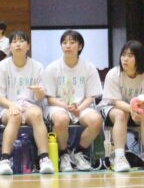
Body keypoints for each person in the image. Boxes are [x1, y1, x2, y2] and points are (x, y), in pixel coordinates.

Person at [0, 31, 54, 175]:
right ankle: (5, 159)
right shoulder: (2, 66)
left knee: (37, 114)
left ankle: (44, 158)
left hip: (30, 104)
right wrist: (12, 105)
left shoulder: (37, 66)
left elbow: (41, 97)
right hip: (6, 105)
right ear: (10, 47)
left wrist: (38, 92)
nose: (18, 44)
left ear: (28, 46)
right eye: (14, 41)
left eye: (21, 41)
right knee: (15, 116)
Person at [43, 30, 103, 172]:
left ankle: (78, 153)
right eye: (64, 43)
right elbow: (50, 98)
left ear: (80, 46)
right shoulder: (52, 68)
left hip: (81, 106)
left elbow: (91, 96)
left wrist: (79, 108)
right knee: (61, 119)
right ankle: (63, 155)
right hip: (58, 106)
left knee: (96, 121)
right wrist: (65, 106)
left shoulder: (89, 67)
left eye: (72, 42)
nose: (68, 45)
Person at [100, 40, 144, 172]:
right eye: (123, 55)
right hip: (110, 108)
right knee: (121, 114)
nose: (125, 59)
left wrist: (140, 110)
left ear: (139, 58)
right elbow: (116, 101)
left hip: (136, 110)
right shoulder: (114, 74)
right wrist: (132, 110)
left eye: (130, 55)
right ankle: (120, 157)